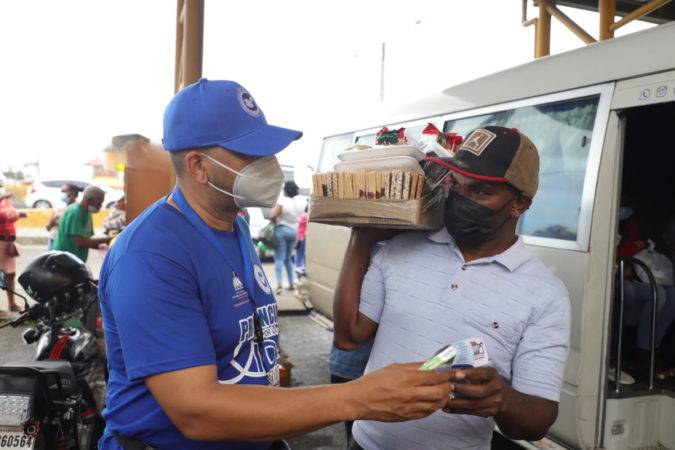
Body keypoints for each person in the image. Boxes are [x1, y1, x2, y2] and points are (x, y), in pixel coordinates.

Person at [97, 78, 453, 450]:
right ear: (198, 166)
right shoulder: (152, 255)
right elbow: (195, 411)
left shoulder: (233, 223)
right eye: (252, 155)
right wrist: (361, 397)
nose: (270, 166)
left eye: (269, 153)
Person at [334, 126, 571, 450]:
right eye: (456, 186)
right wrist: (361, 237)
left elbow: (539, 419)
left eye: (479, 192)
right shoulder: (401, 249)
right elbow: (348, 337)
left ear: (519, 204)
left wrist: (501, 398)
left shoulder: (545, 294)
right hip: (365, 444)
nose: (461, 200)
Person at [52, 185, 112, 262]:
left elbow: (88, 240)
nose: (100, 206)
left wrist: (102, 246)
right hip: (64, 260)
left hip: (76, 260)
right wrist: (108, 239)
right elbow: (81, 242)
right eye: (99, 203)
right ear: (90, 200)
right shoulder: (74, 212)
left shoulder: (87, 213)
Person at [270, 180, 305, 293]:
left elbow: (274, 215)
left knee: (279, 258)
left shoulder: (282, 200)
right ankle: (291, 283)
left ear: (286, 190)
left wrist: (274, 222)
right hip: (294, 232)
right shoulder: (301, 201)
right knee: (288, 258)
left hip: (282, 230)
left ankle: (279, 284)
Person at [0, 185, 27, 318]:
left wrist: (18, 214)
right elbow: (7, 215)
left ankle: (11, 303)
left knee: (10, 275)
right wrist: (17, 214)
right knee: (1, 275)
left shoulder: (5, 204)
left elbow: (10, 215)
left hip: (8, 243)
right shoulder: (3, 205)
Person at [46, 183, 80, 250]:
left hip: (68, 245)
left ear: (74, 194)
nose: (63, 195)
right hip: (54, 240)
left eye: (64, 192)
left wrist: (63, 222)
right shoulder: (58, 208)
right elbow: (48, 228)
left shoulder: (78, 210)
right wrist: (53, 222)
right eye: (62, 192)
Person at [294, 205, 308, 277]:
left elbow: (306, 226)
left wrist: (303, 237)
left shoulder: (304, 215)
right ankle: (301, 268)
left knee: (299, 254)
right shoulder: (306, 215)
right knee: (302, 254)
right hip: (302, 237)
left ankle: (299, 269)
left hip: (302, 237)